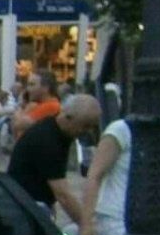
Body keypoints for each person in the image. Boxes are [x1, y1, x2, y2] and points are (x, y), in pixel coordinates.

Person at [8, 93, 101, 227]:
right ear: (68, 117)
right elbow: (63, 195)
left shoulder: (57, 130)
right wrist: (86, 226)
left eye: (92, 127)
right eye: (85, 126)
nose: (88, 132)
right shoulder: (48, 141)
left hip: (31, 202)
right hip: (28, 206)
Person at [11, 70, 61, 139]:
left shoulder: (51, 106)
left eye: (32, 85)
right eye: (28, 85)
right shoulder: (37, 105)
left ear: (46, 88)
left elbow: (17, 124)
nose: (28, 89)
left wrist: (20, 106)